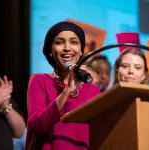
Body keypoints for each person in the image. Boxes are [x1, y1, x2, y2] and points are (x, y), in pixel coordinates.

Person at [25, 21, 101, 150]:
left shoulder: (93, 90)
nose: (67, 47)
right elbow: (36, 127)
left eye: (74, 42)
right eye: (59, 42)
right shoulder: (39, 81)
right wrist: (67, 90)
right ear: (50, 51)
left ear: (81, 51)